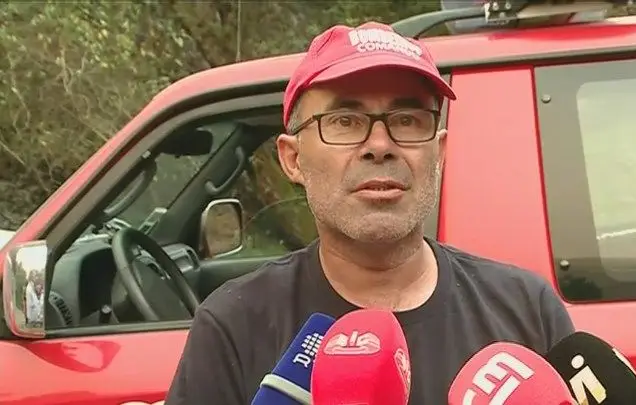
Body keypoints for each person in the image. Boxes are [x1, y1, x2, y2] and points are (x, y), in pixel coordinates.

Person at [165, 21, 575, 405]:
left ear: (439, 153)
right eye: (345, 121)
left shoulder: (528, 309)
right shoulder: (232, 325)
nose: (380, 145)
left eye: (407, 120)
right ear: (293, 159)